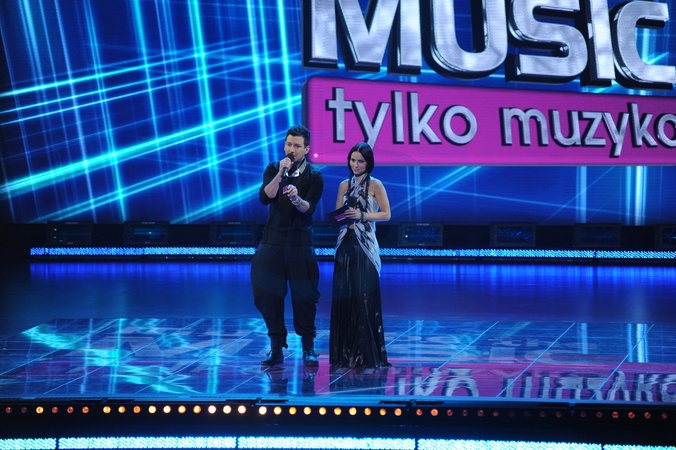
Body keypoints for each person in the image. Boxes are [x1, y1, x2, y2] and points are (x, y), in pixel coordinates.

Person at [250, 125, 324, 367]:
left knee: (304, 295)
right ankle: (276, 346)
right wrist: (280, 174)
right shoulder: (274, 168)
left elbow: (309, 208)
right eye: (289, 144)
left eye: (297, 146)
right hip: (273, 240)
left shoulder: (315, 175)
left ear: (307, 149)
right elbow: (265, 197)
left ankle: (308, 347)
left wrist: (296, 198)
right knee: (267, 293)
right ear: (284, 145)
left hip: (300, 242)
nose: (292, 149)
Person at [329, 142, 391, 368]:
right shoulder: (343, 185)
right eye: (353, 160)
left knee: (364, 299)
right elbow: (338, 216)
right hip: (345, 245)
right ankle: (344, 355)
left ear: (368, 163)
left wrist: (362, 215)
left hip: (365, 247)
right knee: (344, 298)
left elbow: (386, 214)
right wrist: (340, 217)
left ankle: (366, 355)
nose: (355, 165)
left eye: (360, 161)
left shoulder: (376, 185)